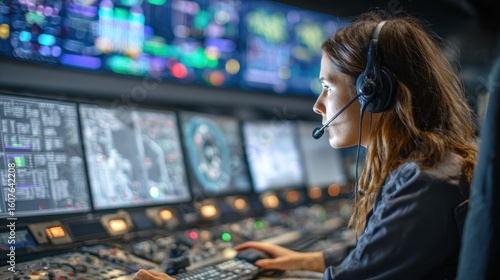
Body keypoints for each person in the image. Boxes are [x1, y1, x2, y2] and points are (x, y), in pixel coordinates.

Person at [133, 11, 477, 280]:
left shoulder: (423, 182)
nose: (318, 104)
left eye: (327, 86)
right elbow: (373, 256)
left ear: (372, 91)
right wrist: (301, 259)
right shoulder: (434, 166)